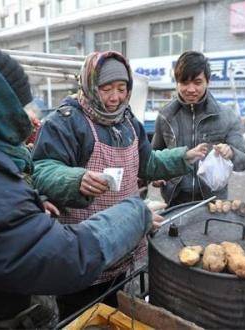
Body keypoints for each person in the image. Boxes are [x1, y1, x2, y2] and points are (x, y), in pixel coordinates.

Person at [0, 42, 153, 329]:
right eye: (16, 105)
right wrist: (135, 213)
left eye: (122, 88)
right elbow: (63, 257)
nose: (26, 117)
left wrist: (30, 204)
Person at [32, 51, 207, 318]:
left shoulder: (127, 122)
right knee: (84, 317)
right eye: (106, 89)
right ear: (90, 85)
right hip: (84, 252)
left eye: (122, 89)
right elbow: (42, 169)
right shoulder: (66, 122)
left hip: (123, 245)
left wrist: (182, 157)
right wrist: (75, 179)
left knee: (117, 313)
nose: (115, 98)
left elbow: (146, 164)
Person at [151, 51, 245, 206]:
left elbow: (244, 162)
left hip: (213, 201)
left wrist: (231, 152)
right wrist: (157, 176)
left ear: (207, 81)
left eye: (197, 82)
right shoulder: (166, 116)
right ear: (177, 82)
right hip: (174, 200)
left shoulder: (226, 115)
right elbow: (154, 157)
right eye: (184, 83)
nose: (191, 89)